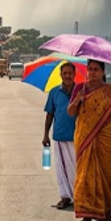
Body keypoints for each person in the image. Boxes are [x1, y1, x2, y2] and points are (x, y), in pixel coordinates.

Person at [67, 60, 111, 221]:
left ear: (103, 72)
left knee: (108, 174)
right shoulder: (79, 88)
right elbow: (71, 112)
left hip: (106, 137)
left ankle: (104, 209)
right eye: (90, 69)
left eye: (96, 69)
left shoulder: (110, 92)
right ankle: (86, 215)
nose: (92, 72)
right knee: (85, 176)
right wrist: (77, 101)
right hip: (85, 137)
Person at [43, 61, 78, 210]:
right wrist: (45, 135)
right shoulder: (54, 92)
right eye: (65, 73)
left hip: (78, 136)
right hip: (60, 135)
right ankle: (65, 197)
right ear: (61, 75)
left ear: (74, 74)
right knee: (62, 169)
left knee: (77, 169)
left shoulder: (81, 92)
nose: (68, 76)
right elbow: (49, 114)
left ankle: (79, 196)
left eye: (70, 73)